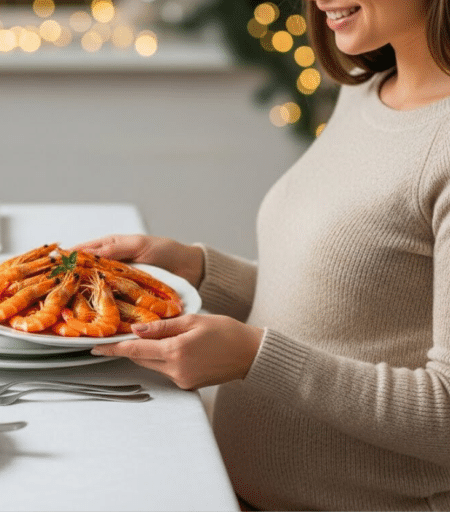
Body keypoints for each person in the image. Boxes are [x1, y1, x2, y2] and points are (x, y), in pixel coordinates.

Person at [81, 0, 450, 509]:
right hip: (230, 491)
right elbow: (341, 306)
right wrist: (200, 270)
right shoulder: (365, 91)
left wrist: (254, 357)